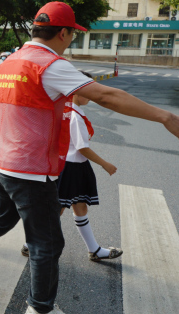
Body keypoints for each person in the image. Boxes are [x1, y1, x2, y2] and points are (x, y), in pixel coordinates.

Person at [0, 1, 179, 314]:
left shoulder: (9, 62)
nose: (71, 40)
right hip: (31, 170)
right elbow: (106, 95)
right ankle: (40, 308)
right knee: (47, 244)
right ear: (63, 32)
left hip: (1, 163)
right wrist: (164, 117)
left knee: (2, 219)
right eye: (72, 35)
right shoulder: (50, 65)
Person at [21, 71, 122, 261]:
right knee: (57, 209)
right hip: (70, 168)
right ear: (75, 91)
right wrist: (105, 164)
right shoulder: (74, 116)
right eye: (88, 90)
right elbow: (82, 148)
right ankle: (30, 244)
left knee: (80, 206)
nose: (91, 95)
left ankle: (94, 249)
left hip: (76, 167)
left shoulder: (71, 112)